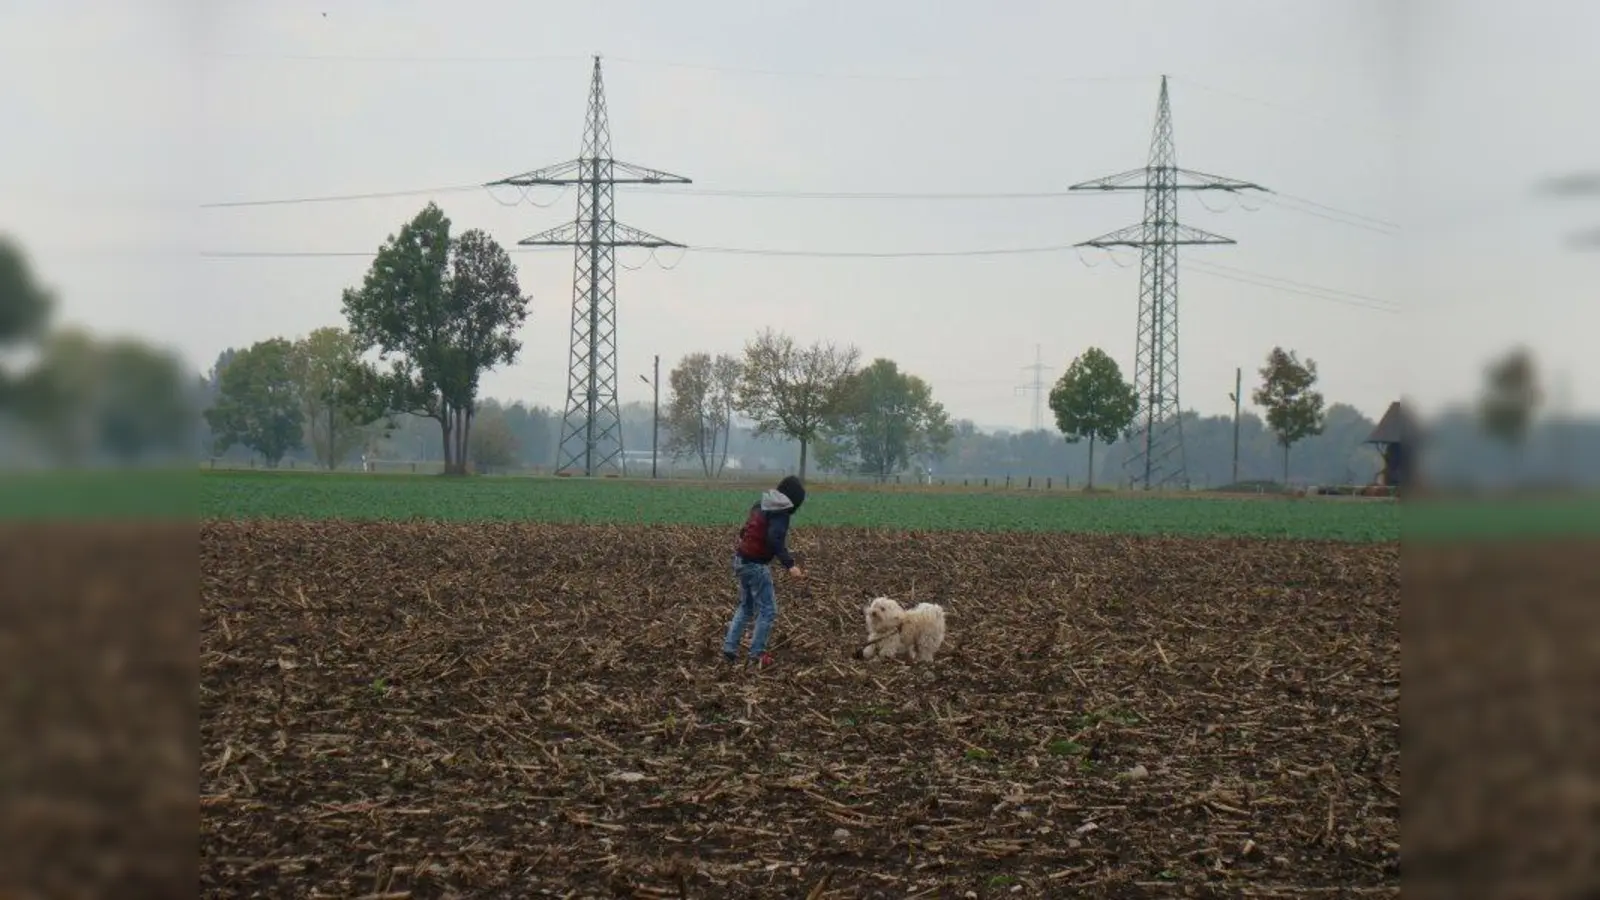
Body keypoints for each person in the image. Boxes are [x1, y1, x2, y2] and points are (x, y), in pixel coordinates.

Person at [721, 475, 807, 668]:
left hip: (741, 560)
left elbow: (744, 531)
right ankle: (757, 654)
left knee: (746, 607)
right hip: (756, 565)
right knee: (768, 610)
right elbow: (774, 539)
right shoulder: (781, 513)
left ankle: (729, 648)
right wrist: (790, 565)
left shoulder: (761, 504)